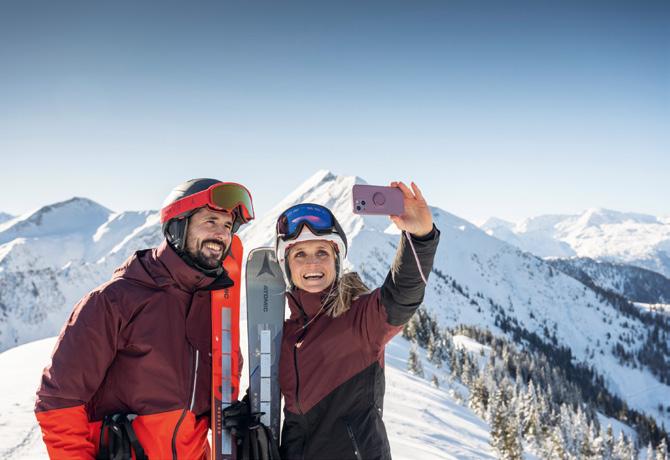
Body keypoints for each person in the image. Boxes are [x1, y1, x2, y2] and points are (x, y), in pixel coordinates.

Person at [34, 178, 254, 460]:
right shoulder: (115, 301)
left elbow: (198, 412)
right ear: (178, 225)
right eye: (210, 221)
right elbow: (58, 401)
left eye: (227, 225)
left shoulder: (216, 311)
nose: (221, 234)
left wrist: (231, 420)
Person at [274, 181, 440, 460]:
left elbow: (400, 296)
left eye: (322, 253)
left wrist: (420, 237)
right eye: (300, 254)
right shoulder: (285, 336)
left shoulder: (359, 319)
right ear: (287, 266)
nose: (312, 263)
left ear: (336, 261)